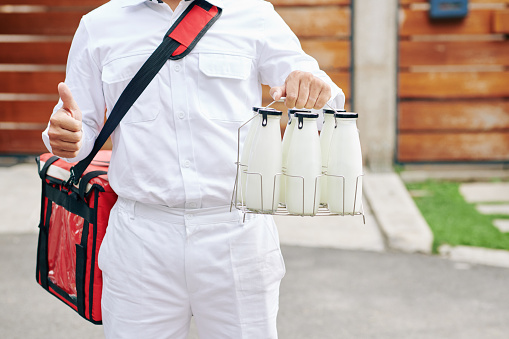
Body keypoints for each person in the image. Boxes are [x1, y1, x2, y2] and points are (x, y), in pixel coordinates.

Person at [43, 0, 345, 338]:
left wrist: (313, 88)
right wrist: (65, 136)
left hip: (236, 233)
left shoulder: (253, 14)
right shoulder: (98, 25)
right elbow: (75, 126)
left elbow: (326, 100)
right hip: (141, 239)